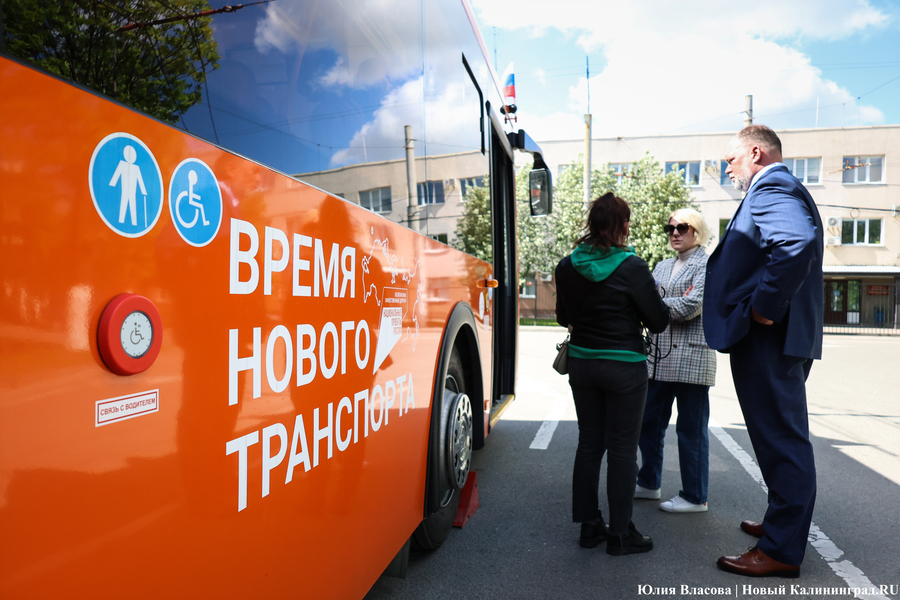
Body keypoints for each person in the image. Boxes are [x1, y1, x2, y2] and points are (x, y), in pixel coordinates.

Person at [704, 125, 824, 578]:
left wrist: (763, 309)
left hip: (770, 337)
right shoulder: (782, 187)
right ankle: (781, 526)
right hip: (781, 337)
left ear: (755, 152)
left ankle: (780, 549)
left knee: (781, 441)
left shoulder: (770, 186)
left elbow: (794, 243)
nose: (728, 171)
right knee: (777, 437)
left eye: (730, 161)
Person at [555, 192, 669, 556]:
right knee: (622, 449)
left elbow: (562, 317)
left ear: (591, 224)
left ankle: (589, 527)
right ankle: (621, 534)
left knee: (589, 443)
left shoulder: (566, 265)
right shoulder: (633, 266)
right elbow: (658, 320)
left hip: (583, 364)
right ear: (621, 226)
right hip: (624, 367)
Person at [635, 208, 716, 513]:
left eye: (683, 227)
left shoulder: (707, 264)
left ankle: (696, 496)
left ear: (698, 231)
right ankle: (648, 483)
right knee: (648, 424)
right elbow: (651, 303)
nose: (675, 233)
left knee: (690, 431)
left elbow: (692, 306)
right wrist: (656, 305)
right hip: (658, 358)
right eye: (670, 228)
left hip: (692, 358)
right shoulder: (662, 265)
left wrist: (654, 304)